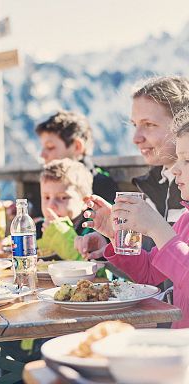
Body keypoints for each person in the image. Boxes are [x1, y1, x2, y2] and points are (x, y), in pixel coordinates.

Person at [75, 107, 189, 329]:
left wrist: (158, 228)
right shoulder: (186, 219)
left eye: (188, 160)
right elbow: (148, 273)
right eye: (178, 159)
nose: (175, 169)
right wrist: (115, 235)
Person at [75, 76, 189, 261]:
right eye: (135, 125)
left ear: (181, 124)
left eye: (149, 124)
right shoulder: (152, 185)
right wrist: (113, 243)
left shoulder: (184, 191)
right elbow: (152, 271)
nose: (136, 138)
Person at [35, 109, 118, 203]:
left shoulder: (101, 185)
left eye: (50, 147)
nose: (42, 155)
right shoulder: (50, 180)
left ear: (77, 147)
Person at [36, 158, 94, 260]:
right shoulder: (39, 228)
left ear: (85, 201)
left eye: (62, 198)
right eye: (46, 197)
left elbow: (92, 266)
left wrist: (62, 234)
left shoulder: (91, 231)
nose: (51, 205)